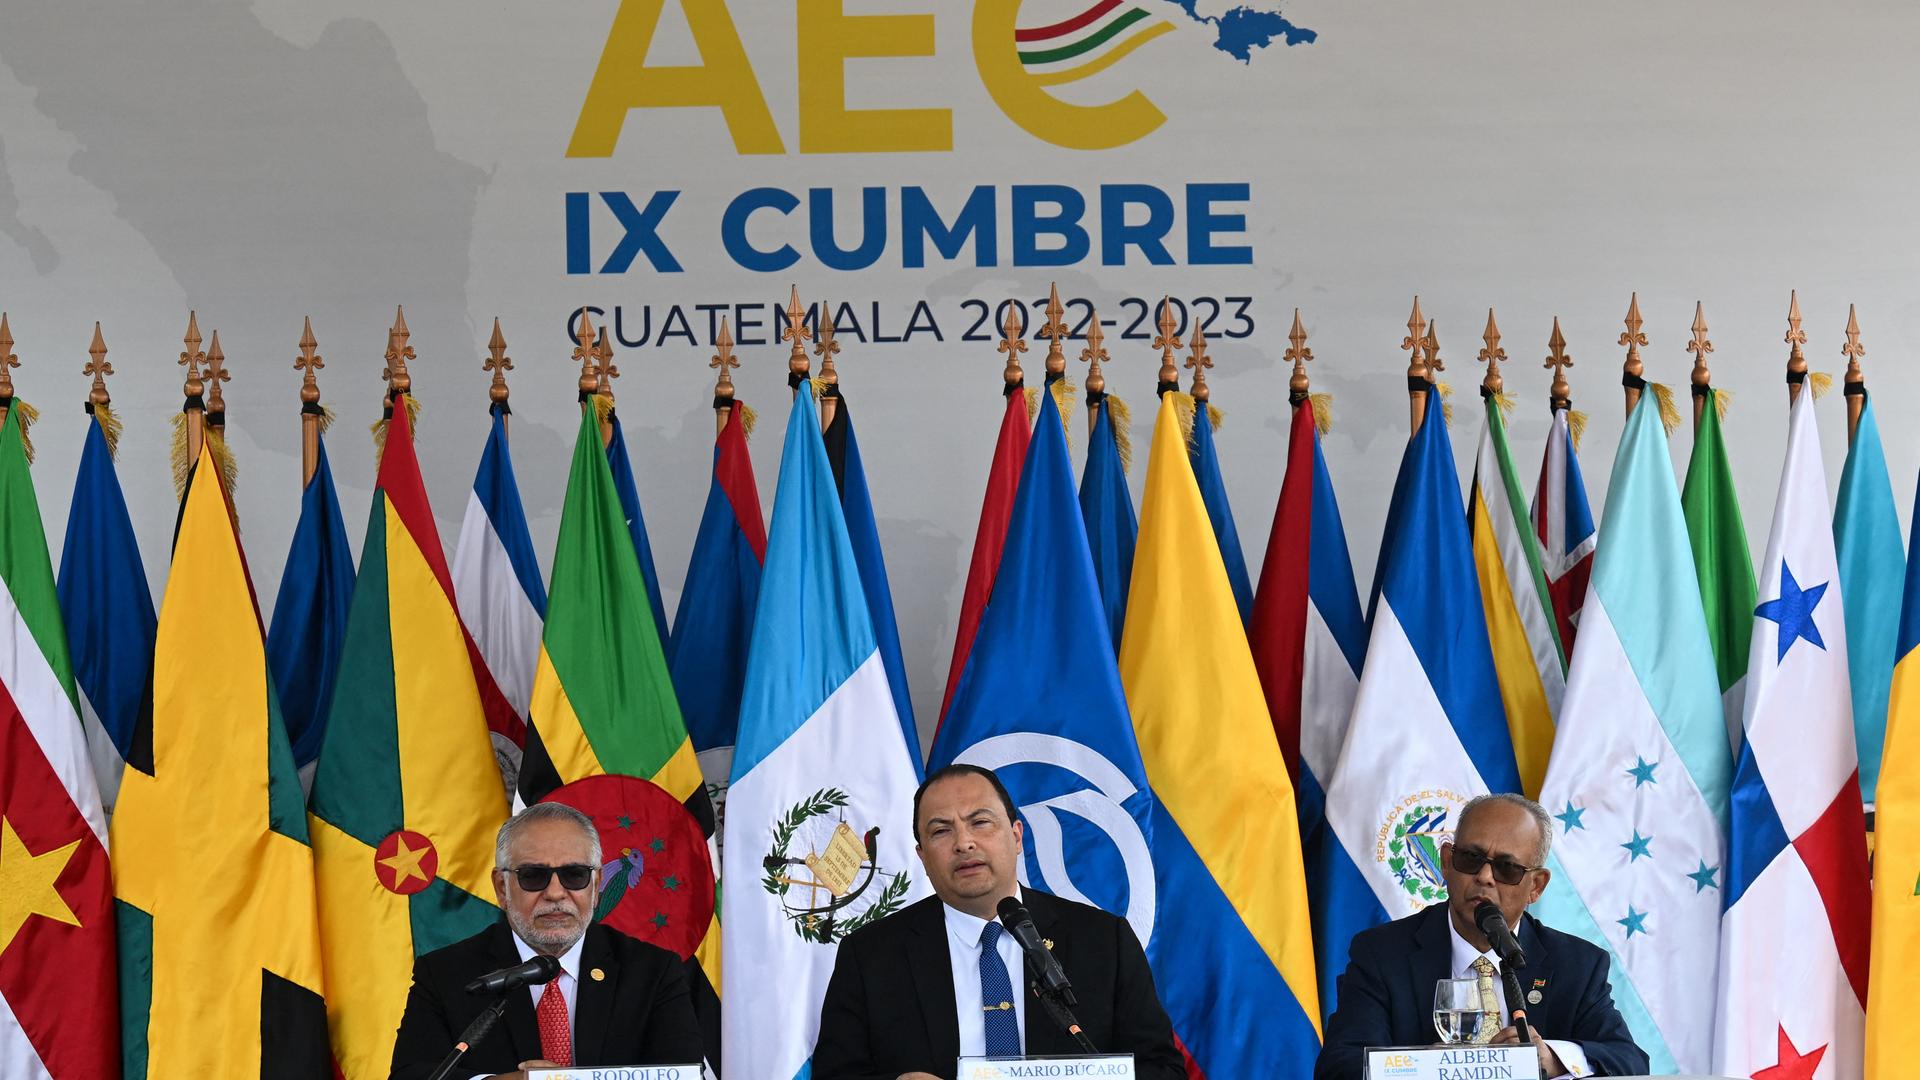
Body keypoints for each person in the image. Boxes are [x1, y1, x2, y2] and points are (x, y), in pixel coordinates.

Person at [813, 764, 1186, 1080]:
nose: (964, 843)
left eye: (980, 822)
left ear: (1017, 835)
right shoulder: (871, 955)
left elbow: (1162, 1068)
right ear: (922, 857)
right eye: (941, 831)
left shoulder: (1103, 941)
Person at [1315, 793, 1650, 1079]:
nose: (1485, 877)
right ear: (1447, 862)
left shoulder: (1576, 964)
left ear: (1535, 885)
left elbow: (1629, 1061)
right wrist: (1427, 1068)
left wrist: (1550, 1059)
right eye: (1471, 859)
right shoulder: (1383, 953)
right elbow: (1340, 1065)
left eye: (1507, 868)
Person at [389, 802, 704, 1080]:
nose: (555, 893)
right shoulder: (448, 974)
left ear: (595, 886)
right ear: (501, 887)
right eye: (533, 876)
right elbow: (411, 1074)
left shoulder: (652, 970)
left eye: (575, 874)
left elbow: (683, 1073)